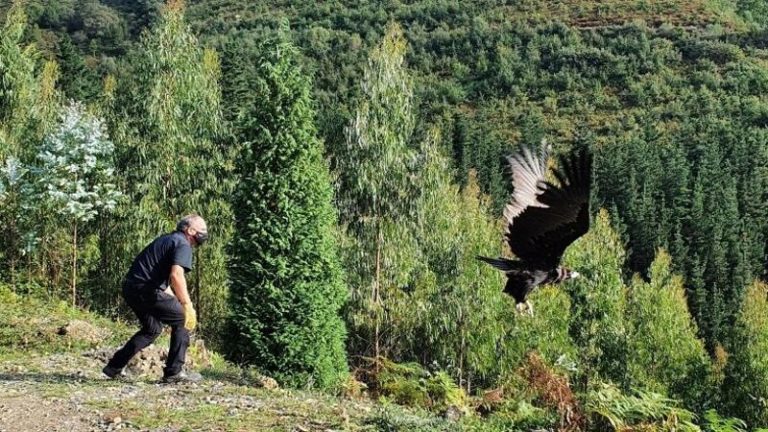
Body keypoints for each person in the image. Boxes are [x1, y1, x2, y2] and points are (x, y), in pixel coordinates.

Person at [103, 214, 208, 383]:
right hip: (146, 290)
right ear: (191, 230)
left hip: (132, 288)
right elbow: (176, 275)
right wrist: (187, 305)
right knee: (183, 319)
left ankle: (113, 367)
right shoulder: (183, 244)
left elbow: (161, 279)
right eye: (203, 230)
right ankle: (174, 373)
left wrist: (174, 301)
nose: (205, 234)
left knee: (152, 329)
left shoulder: (168, 240)